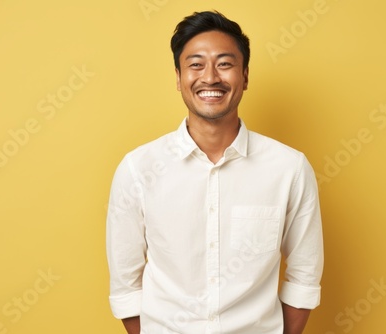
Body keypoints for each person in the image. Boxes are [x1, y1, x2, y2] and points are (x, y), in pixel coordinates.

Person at [106, 10, 324, 334]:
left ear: (245, 76)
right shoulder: (139, 169)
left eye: (224, 63)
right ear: (178, 78)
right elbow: (126, 286)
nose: (210, 77)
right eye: (195, 64)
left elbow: (305, 277)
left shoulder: (289, 169)